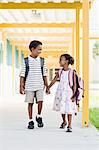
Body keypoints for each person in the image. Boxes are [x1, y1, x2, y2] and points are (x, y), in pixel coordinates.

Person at [20, 40, 49, 129]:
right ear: (32, 49)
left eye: (41, 49)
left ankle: (38, 116)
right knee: (30, 103)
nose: (40, 51)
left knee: (40, 101)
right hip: (29, 85)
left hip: (40, 85)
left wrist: (47, 86)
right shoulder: (26, 60)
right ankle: (30, 120)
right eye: (38, 49)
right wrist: (21, 86)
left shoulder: (42, 61)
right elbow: (22, 74)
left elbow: (44, 74)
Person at [47, 54, 77, 132]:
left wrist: (74, 95)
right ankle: (64, 121)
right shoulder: (60, 71)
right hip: (61, 92)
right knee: (62, 107)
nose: (59, 61)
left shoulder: (72, 72)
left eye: (61, 59)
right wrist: (48, 87)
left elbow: (75, 84)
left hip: (69, 92)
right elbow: (54, 80)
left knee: (69, 108)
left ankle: (69, 125)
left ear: (66, 61)